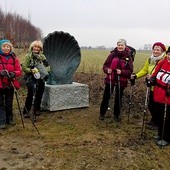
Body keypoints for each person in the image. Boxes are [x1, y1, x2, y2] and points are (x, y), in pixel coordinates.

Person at [131, 42, 166, 129]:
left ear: (162, 51)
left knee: (158, 107)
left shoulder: (164, 61)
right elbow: (145, 70)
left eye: (158, 50)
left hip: (160, 88)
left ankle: (158, 123)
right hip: (151, 86)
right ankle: (154, 120)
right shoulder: (150, 59)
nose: (155, 51)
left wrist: (153, 77)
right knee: (151, 106)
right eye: (154, 49)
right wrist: (136, 76)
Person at [99, 39, 133, 122]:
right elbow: (105, 66)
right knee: (106, 97)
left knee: (118, 98)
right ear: (117, 45)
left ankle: (116, 115)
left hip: (121, 81)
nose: (120, 47)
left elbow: (130, 71)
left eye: (122, 45)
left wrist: (121, 72)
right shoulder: (112, 55)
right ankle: (102, 113)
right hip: (110, 79)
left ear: (125, 46)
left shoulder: (128, 57)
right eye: (119, 45)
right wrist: (108, 70)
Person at [22, 40, 49, 118]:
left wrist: (44, 69)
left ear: (40, 49)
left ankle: (37, 109)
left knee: (40, 93)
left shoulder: (42, 56)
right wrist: (31, 70)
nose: (36, 48)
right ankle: (26, 111)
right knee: (30, 94)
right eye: (35, 47)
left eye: (38, 47)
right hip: (31, 77)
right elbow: (24, 67)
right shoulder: (28, 56)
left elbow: (47, 66)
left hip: (40, 77)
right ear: (32, 47)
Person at [150, 46, 170, 146]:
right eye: (169, 54)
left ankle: (167, 138)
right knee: (160, 115)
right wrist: (152, 80)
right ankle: (160, 133)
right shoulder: (163, 61)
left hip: (168, 95)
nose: (169, 57)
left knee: (167, 117)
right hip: (159, 93)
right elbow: (156, 72)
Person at [0, 40, 22, 129]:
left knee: (9, 102)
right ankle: (2, 121)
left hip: (10, 83)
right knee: (0, 103)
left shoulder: (14, 58)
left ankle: (10, 118)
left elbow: (19, 71)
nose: (6, 48)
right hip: (0, 84)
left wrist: (14, 73)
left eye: (8, 46)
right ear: (1, 48)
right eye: (4, 46)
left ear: (10, 48)